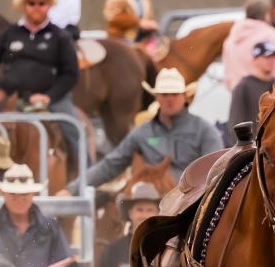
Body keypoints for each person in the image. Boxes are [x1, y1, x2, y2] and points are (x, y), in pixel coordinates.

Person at [63, 69, 222, 194]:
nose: (170, 99)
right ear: (156, 97)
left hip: (192, 198)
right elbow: (112, 164)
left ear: (184, 96)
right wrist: (73, 189)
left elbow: (216, 170)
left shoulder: (205, 131)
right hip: (151, 199)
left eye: (174, 94)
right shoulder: (142, 132)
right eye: (164, 94)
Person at [0, 0, 81, 157]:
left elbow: (71, 73)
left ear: (48, 6)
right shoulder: (10, 34)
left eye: (41, 3)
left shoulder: (59, 37)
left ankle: (84, 169)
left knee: (73, 129)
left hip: (50, 100)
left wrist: (48, 96)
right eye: (31, 3)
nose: (36, 7)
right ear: (24, 6)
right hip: (13, 99)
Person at [222, 0, 275, 92]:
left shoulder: (231, 39)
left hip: (236, 93)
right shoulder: (270, 34)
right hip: (264, 93)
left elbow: (227, 73)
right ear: (266, 14)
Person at [228, 41, 275, 142]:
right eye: (267, 57)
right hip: (253, 146)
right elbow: (235, 123)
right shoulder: (243, 87)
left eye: (273, 57)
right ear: (255, 60)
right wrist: (246, 147)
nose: (271, 60)